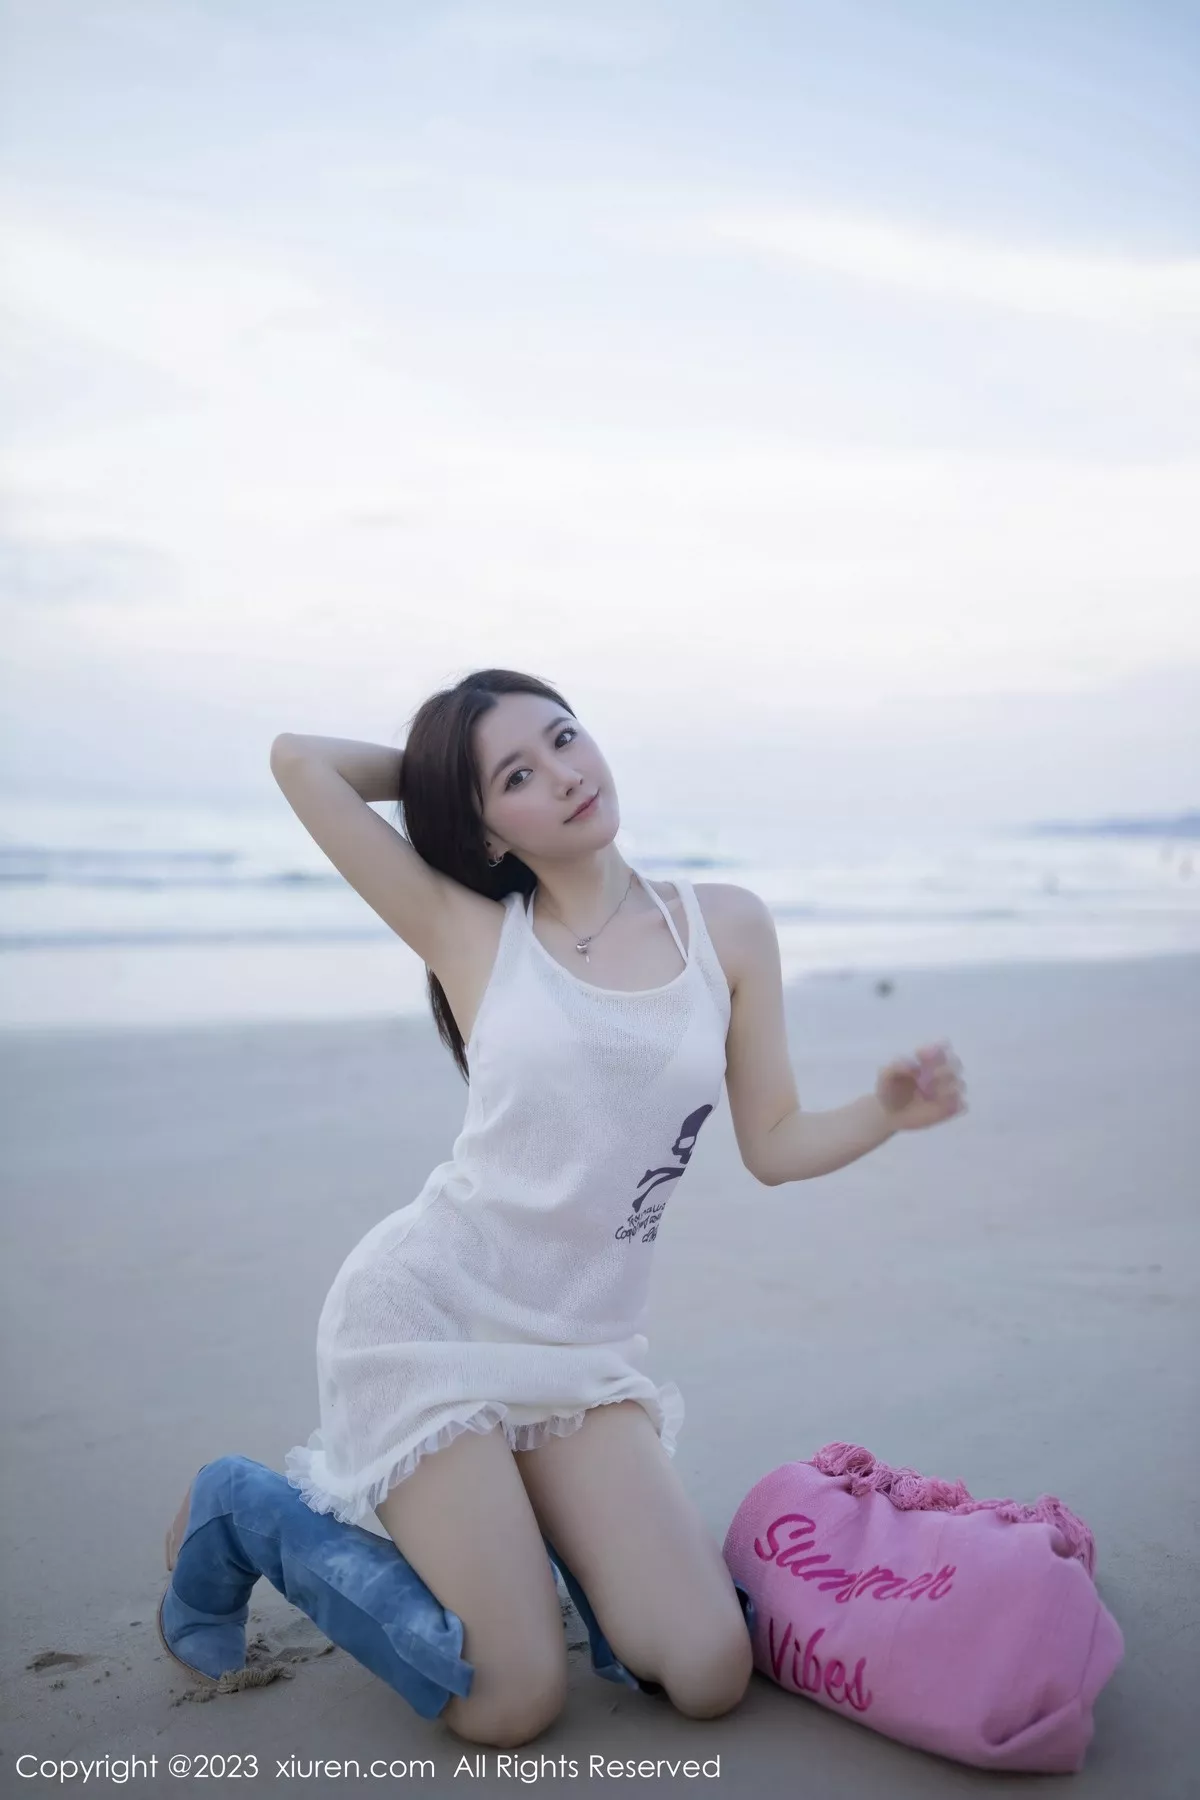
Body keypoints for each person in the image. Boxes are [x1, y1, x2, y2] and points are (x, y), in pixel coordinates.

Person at [158, 668, 965, 1746]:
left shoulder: (724, 928)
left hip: (576, 1352)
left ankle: (543, 1536)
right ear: (488, 829)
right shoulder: (471, 933)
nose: (565, 774)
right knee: (510, 1701)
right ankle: (241, 1510)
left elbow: (773, 1143)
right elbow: (299, 761)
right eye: (518, 776)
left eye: (565, 737)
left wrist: (884, 1112)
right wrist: (440, 776)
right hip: (429, 1326)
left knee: (709, 1669)